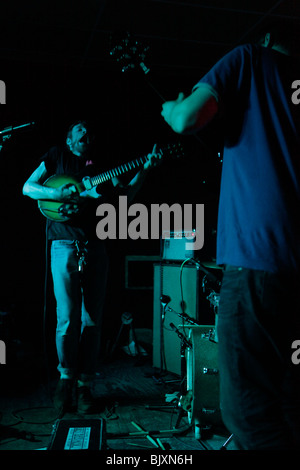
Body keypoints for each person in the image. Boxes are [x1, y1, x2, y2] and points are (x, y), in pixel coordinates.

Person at [161, 20, 300, 450]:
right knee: (291, 404)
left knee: (249, 412)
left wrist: (170, 108)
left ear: (266, 39)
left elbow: (186, 119)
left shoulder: (250, 61)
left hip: (260, 262)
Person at [23, 120, 157, 414]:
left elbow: (126, 198)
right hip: (63, 245)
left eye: (89, 130)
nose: (86, 132)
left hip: (96, 246)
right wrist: (60, 194)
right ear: (69, 139)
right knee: (66, 319)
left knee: (91, 321)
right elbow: (28, 187)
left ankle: (85, 384)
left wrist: (145, 168)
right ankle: (65, 380)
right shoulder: (57, 155)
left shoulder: (103, 166)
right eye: (79, 129)